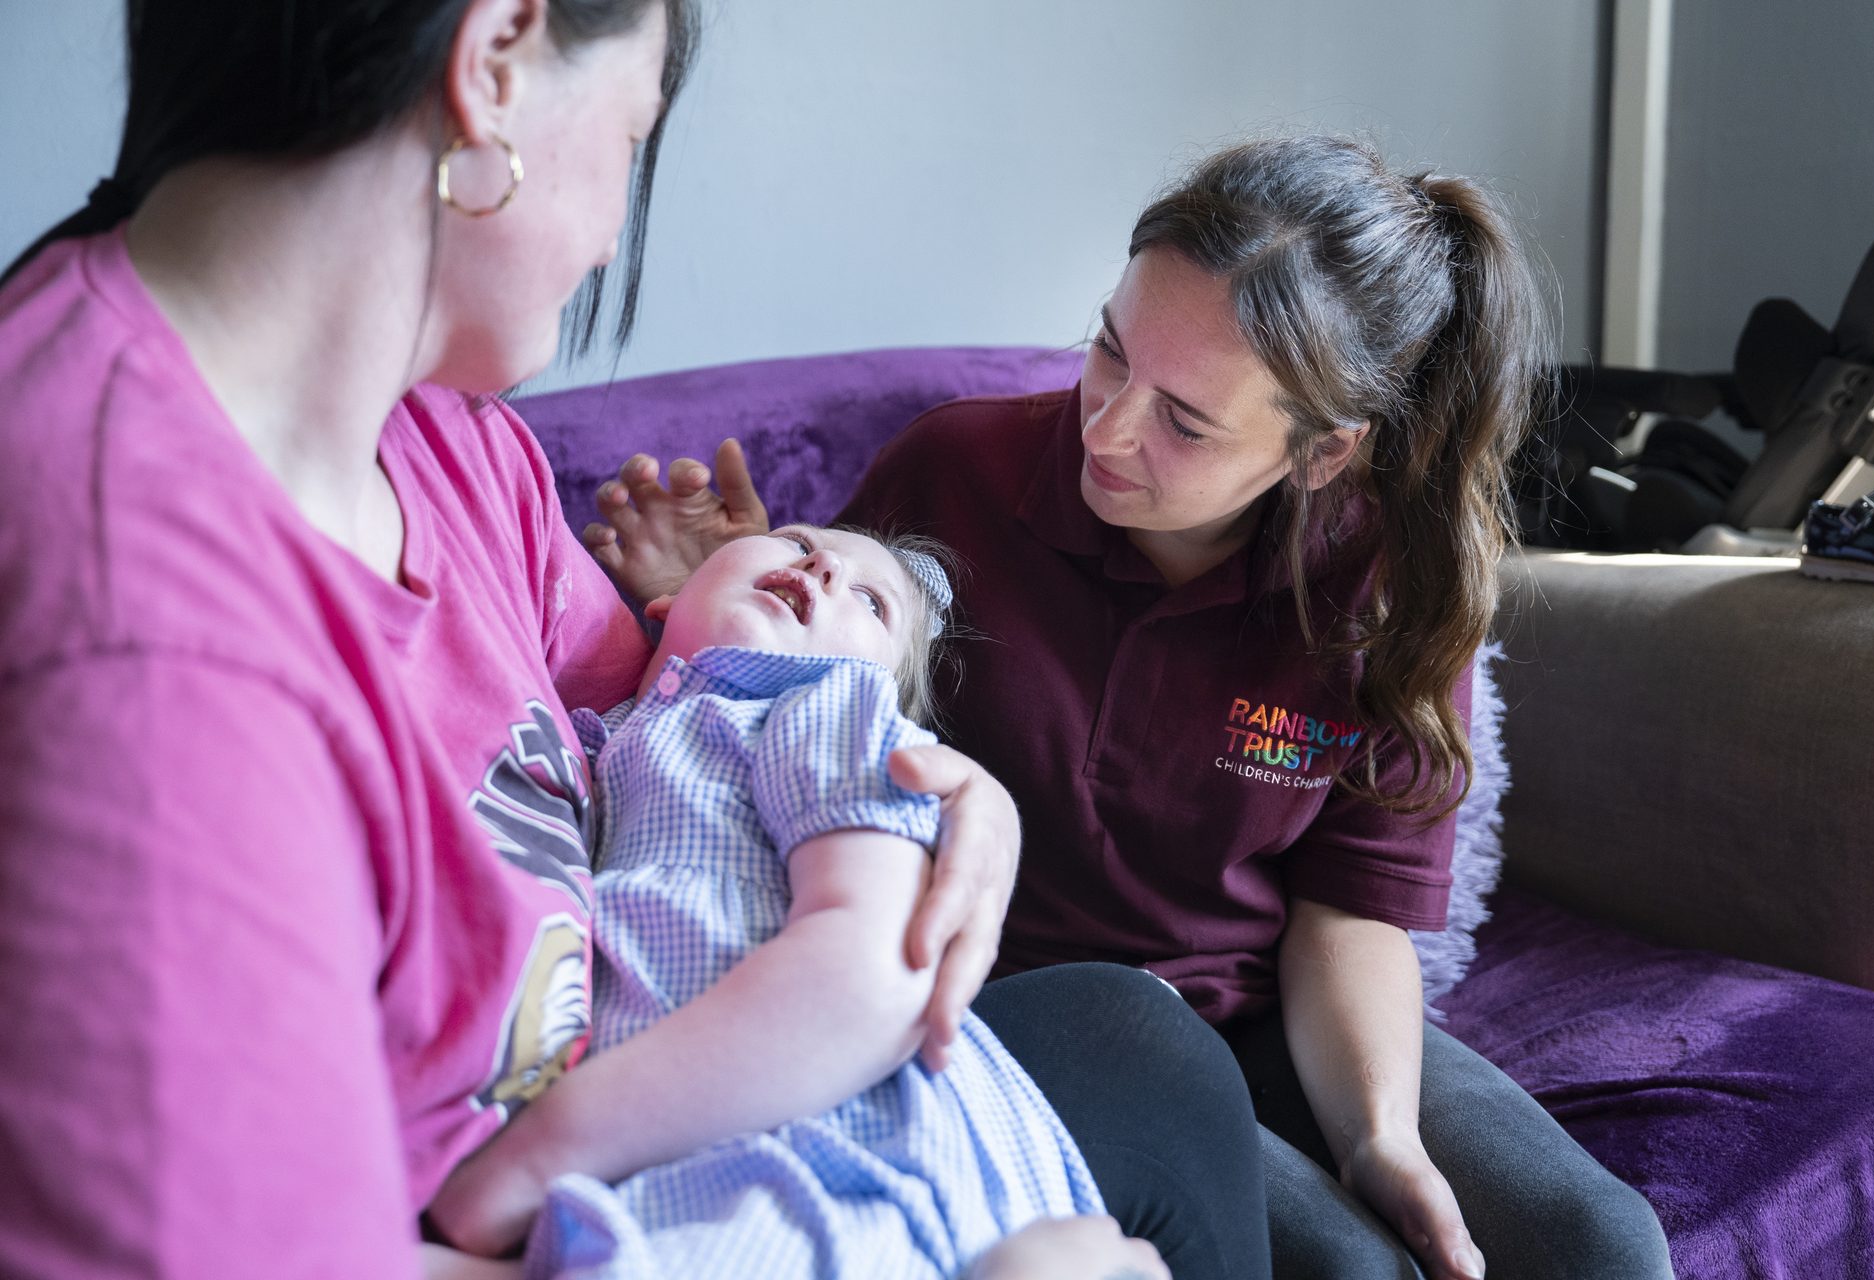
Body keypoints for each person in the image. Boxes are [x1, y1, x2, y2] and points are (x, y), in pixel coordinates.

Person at [0, 4, 1268, 1278]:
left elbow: (693, 707)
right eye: (634, 135)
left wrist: (940, 792)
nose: (616, 229)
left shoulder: (453, 443)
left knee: (1137, 1049)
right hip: (609, 1214)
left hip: (692, 1108)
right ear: (496, 59)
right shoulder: (139, 639)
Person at [586, 135, 1676, 1279]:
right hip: (1035, 1011)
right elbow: (817, 725)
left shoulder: (1387, 587)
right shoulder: (955, 474)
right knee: (1352, 1270)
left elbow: (1350, 912)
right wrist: (716, 593)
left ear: (1322, 454)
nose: (1106, 427)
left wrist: (1379, 1133)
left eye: (1186, 422)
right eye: (1110, 351)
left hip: (1265, 1005)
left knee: (1600, 1243)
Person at [427, 524, 1138, 1277]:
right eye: (791, 540)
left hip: (844, 1157)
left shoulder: (819, 706)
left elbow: (871, 974)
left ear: (887, 694)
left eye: (871, 602)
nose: (823, 564)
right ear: (662, 605)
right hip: (688, 1167)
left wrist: (534, 1160)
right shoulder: (590, 749)